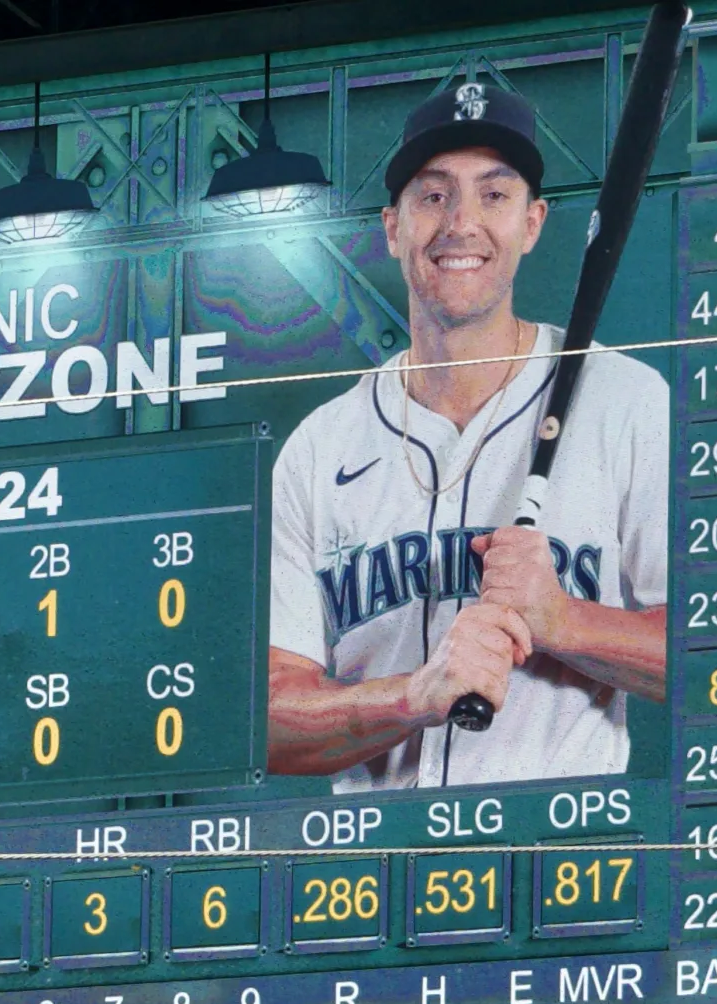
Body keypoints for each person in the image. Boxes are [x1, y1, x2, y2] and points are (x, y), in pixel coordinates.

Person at [266, 79, 669, 791]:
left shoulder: (624, 400)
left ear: (533, 222)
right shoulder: (319, 448)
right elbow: (268, 721)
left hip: (562, 866)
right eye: (433, 194)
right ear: (393, 228)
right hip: (373, 877)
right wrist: (412, 697)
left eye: (494, 194)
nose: (461, 223)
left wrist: (563, 621)